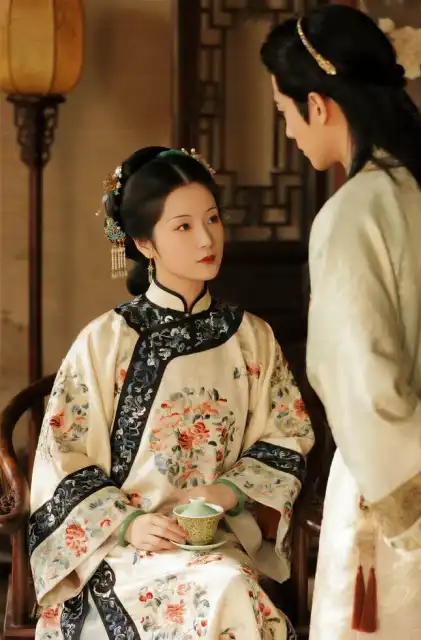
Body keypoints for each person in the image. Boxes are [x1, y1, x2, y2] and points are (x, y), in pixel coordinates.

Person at [29, 146, 314, 639]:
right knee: (226, 593)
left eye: (212, 219)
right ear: (145, 244)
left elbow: (287, 435)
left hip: (218, 546)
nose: (206, 238)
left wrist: (230, 492)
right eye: (183, 226)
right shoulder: (104, 341)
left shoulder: (252, 337)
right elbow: (62, 455)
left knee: (228, 585)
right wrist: (126, 523)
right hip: (122, 552)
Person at [260, 5, 421, 640]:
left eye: (284, 112)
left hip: (401, 502)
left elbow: (363, 392)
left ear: (318, 105)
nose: (289, 131)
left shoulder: (353, 214)